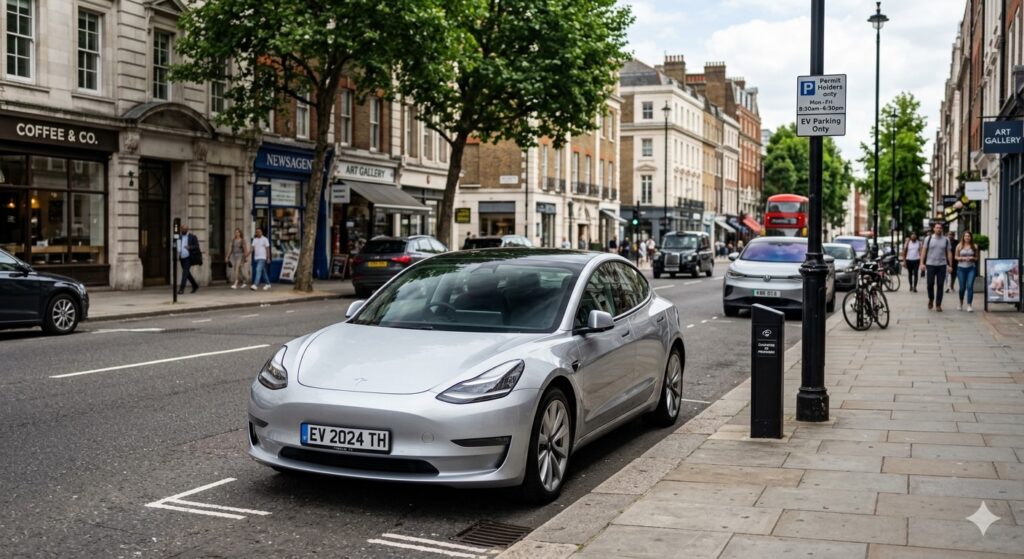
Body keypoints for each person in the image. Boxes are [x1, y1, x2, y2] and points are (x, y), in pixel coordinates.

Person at [923, 222, 953, 311]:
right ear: (934, 229)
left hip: (942, 265)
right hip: (930, 264)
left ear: (942, 229)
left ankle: (938, 304)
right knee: (930, 284)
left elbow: (949, 252)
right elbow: (924, 251)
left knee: (940, 285)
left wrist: (950, 265)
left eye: (940, 228)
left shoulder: (946, 240)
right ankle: (931, 298)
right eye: (937, 227)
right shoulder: (928, 239)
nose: (938, 229)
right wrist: (921, 263)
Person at [954, 231, 978, 312]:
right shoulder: (959, 246)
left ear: (971, 237)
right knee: (962, 288)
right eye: (965, 236)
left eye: (968, 236)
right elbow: (956, 257)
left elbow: (977, 258)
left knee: (970, 286)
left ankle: (969, 305)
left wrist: (972, 258)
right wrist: (961, 258)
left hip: (971, 268)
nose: (967, 237)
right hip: (961, 269)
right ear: (963, 237)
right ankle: (960, 303)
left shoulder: (974, 246)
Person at [177, 224, 200, 295]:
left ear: (187, 230)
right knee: (187, 273)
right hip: (182, 257)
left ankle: (181, 289)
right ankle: (195, 285)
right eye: (182, 229)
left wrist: (190, 247)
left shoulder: (192, 237)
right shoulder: (179, 237)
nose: (183, 230)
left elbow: (197, 246)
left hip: (188, 257)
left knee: (184, 273)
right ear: (181, 229)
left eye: (185, 229)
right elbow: (177, 246)